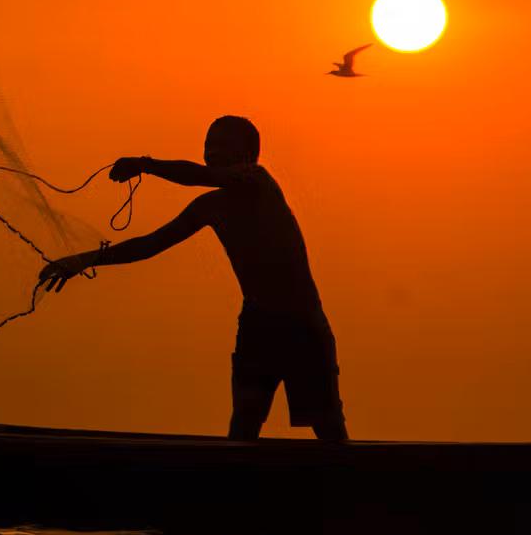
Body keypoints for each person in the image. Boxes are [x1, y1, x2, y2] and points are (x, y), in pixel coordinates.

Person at [37, 115, 348, 441]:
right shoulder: (209, 207)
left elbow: (200, 175)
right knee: (244, 423)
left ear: (247, 154)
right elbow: (150, 244)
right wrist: (83, 259)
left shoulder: (259, 181)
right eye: (208, 146)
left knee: (327, 427)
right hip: (258, 324)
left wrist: (145, 165)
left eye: (222, 145)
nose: (211, 152)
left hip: (302, 323)